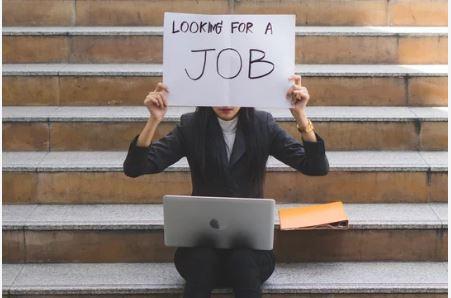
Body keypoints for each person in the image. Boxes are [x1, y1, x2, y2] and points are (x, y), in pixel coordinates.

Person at [123, 74, 330, 298]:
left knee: (242, 260)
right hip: (201, 248)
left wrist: (300, 115)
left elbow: (316, 166)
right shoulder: (191, 126)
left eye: (235, 92)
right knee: (203, 261)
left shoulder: (263, 124)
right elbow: (135, 168)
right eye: (218, 93)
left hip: (250, 252)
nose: (226, 102)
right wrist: (153, 120)